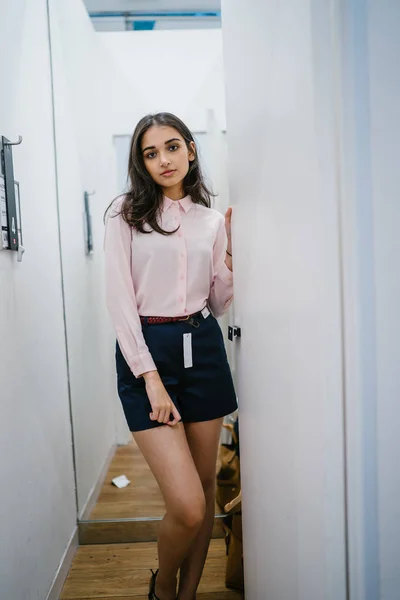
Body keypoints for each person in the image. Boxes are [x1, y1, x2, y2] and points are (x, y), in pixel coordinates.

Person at [104, 112, 237, 600]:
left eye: (173, 147)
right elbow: (121, 306)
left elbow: (219, 303)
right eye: (151, 152)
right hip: (147, 353)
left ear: (191, 151)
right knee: (186, 505)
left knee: (204, 491)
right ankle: (162, 590)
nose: (164, 159)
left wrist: (229, 261)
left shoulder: (209, 221)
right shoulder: (126, 215)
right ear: (141, 162)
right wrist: (151, 379)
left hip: (202, 348)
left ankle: (188, 596)